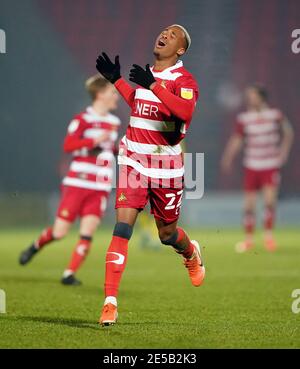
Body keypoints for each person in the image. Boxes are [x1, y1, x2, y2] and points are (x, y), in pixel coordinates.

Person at [95, 24, 205, 326]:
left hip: (166, 167)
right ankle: (110, 303)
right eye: (164, 31)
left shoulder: (184, 80)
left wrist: (153, 84)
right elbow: (140, 104)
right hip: (132, 159)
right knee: (122, 228)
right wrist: (116, 80)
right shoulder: (147, 76)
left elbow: (183, 112)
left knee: (167, 234)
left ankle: (190, 253)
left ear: (180, 49)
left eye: (174, 35)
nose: (165, 35)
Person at [19, 75, 121, 285]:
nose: (116, 97)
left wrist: (120, 150)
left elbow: (110, 149)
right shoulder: (82, 119)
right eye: (112, 92)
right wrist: (94, 139)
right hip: (78, 182)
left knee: (88, 231)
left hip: (101, 184)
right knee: (60, 232)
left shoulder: (114, 122)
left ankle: (69, 274)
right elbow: (68, 145)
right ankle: (35, 246)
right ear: (100, 94)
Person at [221, 84, 294, 252]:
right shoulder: (244, 118)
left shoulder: (274, 115)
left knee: (269, 202)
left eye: (252, 95)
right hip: (252, 165)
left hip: (270, 165)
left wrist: (283, 152)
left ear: (261, 97)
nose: (249, 98)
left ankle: (268, 238)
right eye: (248, 96)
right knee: (249, 205)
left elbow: (288, 132)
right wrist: (228, 157)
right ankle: (248, 240)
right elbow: (237, 139)